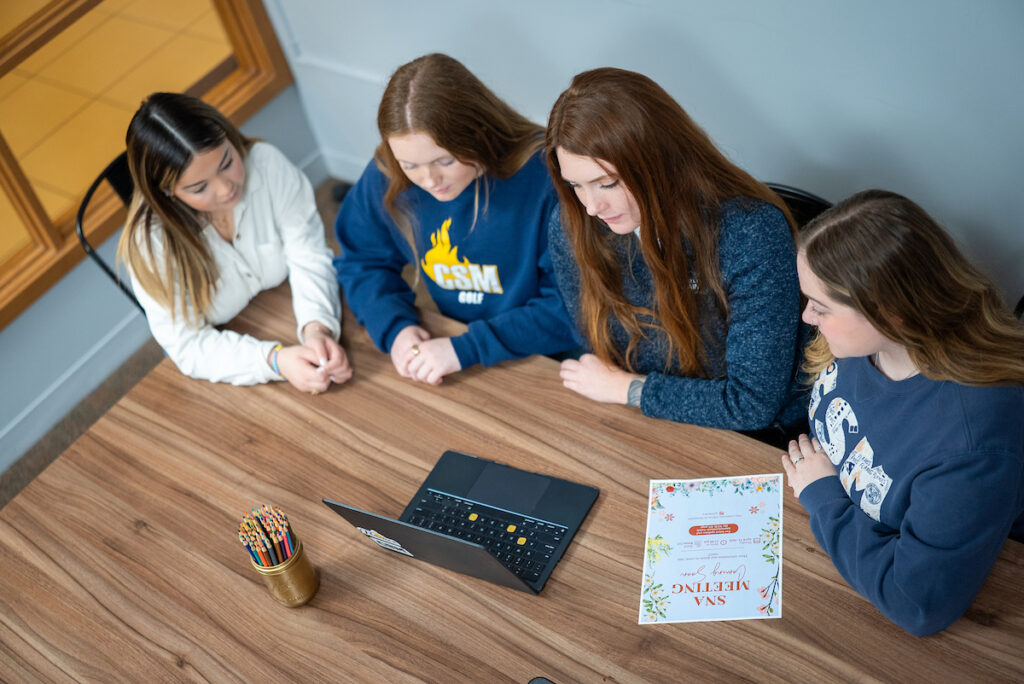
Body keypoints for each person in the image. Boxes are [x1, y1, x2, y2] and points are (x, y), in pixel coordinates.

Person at [782, 189, 1024, 636]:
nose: (806, 318)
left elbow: (917, 604)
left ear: (890, 314)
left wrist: (824, 498)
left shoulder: (973, 438)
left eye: (821, 307)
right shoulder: (859, 345)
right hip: (828, 534)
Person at [544, 67, 808, 439]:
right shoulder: (571, 222)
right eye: (576, 186)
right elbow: (601, 348)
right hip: (647, 423)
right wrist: (626, 389)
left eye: (607, 183)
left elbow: (751, 403)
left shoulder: (750, 232)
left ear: (659, 161)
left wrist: (627, 389)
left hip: (759, 438)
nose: (591, 206)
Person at [334, 53, 577, 385]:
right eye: (410, 164)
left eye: (444, 161)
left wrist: (468, 348)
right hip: (461, 351)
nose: (429, 179)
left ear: (478, 132)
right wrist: (395, 327)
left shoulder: (546, 179)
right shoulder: (387, 174)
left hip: (554, 359)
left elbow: (573, 307)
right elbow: (362, 260)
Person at [118, 92, 350, 392]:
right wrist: (275, 360)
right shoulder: (150, 245)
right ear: (167, 192)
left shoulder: (266, 165)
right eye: (200, 187)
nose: (227, 188)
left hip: (279, 308)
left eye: (227, 162)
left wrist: (317, 328)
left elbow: (308, 252)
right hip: (222, 361)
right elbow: (188, 346)